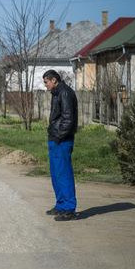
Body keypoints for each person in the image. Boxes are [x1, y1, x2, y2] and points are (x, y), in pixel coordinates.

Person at [43, 69, 78, 221]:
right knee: (56, 174)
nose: (45, 86)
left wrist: (58, 137)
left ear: (54, 80)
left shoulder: (65, 93)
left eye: (46, 82)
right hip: (55, 139)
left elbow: (68, 119)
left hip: (62, 140)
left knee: (64, 174)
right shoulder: (57, 92)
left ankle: (69, 208)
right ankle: (61, 205)